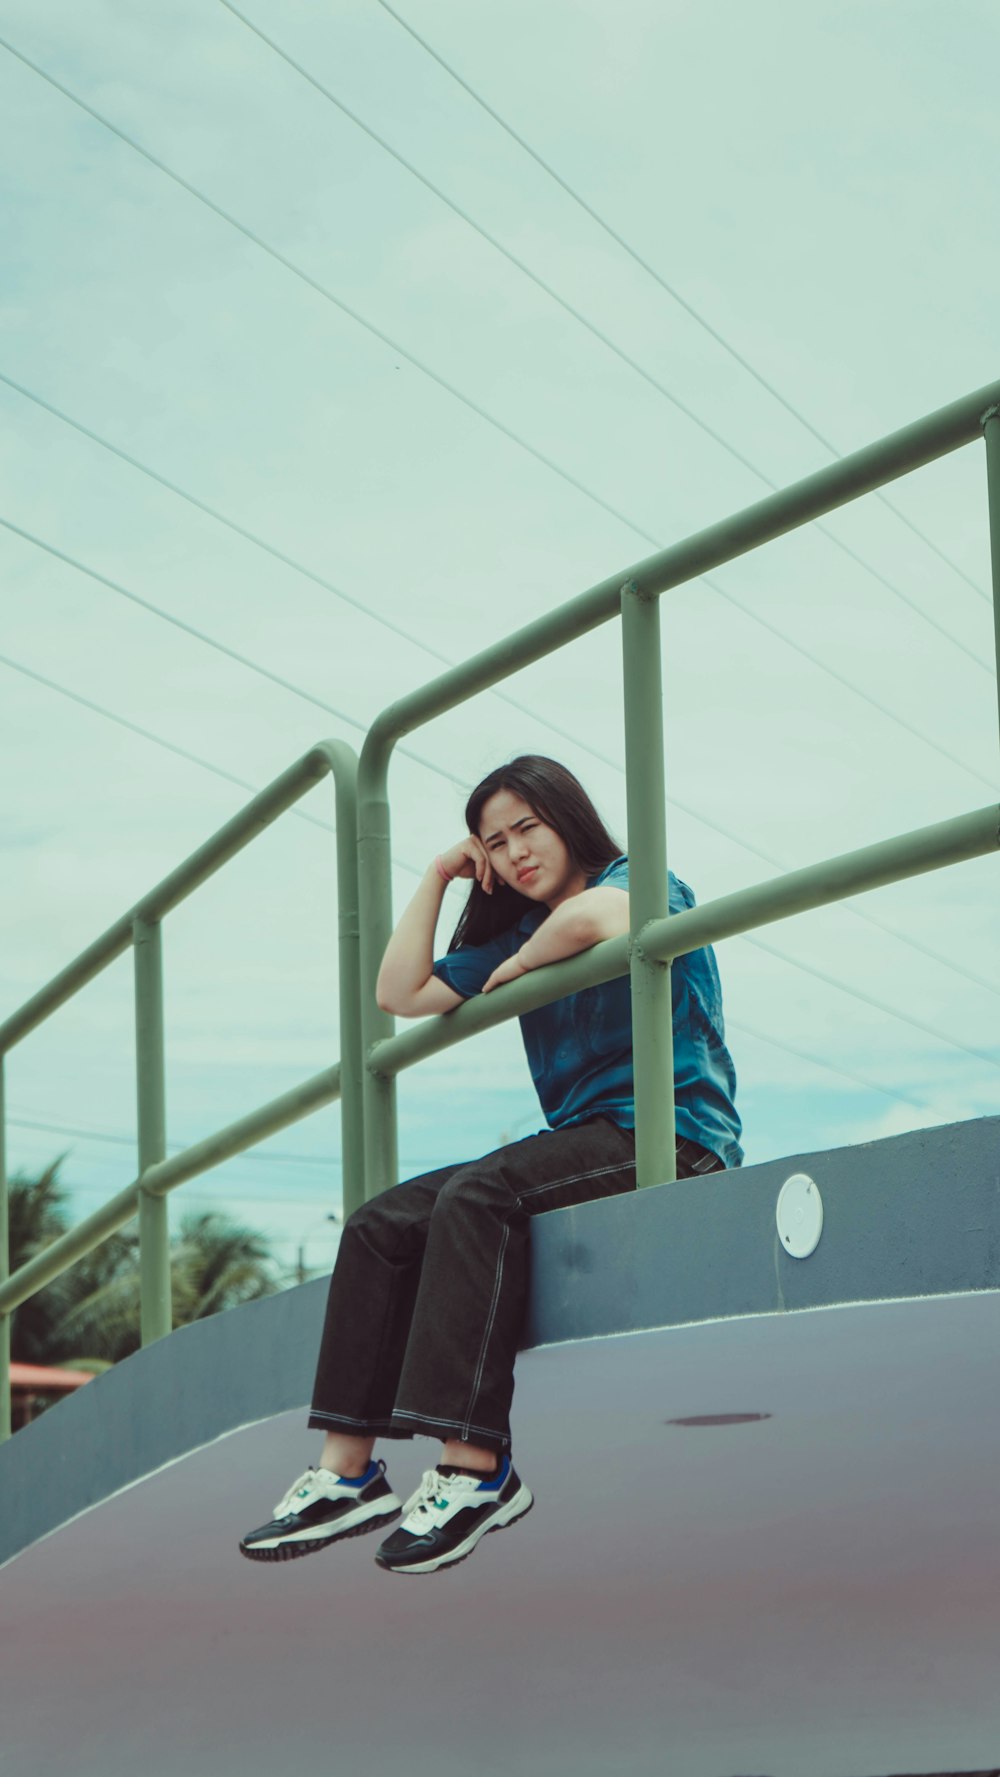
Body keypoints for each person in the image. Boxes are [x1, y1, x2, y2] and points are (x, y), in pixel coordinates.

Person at [239, 755, 742, 1577]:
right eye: (492, 842)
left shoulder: (640, 877)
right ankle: (348, 1469)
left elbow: (598, 923)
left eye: (525, 829)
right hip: (584, 1140)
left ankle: (476, 1470)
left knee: (477, 1191)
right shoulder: (514, 929)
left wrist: (517, 967)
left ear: (566, 817)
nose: (512, 853)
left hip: (674, 1134)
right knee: (380, 1225)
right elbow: (400, 992)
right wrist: (440, 874)